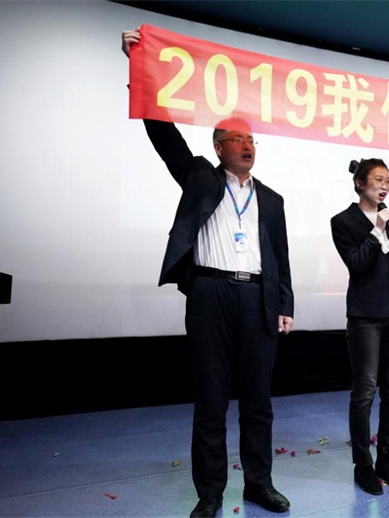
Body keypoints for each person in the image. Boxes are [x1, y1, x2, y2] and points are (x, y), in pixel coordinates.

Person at [122, 29, 294, 517]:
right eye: (237, 139)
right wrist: (138, 67)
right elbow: (164, 135)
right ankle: (211, 493)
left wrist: (284, 304)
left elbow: (280, 257)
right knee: (211, 400)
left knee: (258, 401)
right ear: (218, 147)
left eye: (251, 139)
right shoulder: (199, 176)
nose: (247, 145)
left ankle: (259, 484)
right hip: (209, 294)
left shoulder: (272, 199)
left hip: (257, 297)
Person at [330, 159, 389, 495]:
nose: (384, 186)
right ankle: (362, 465)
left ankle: (386, 460)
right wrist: (376, 230)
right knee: (365, 390)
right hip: (366, 314)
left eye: (388, 181)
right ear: (359, 183)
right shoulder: (343, 221)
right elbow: (356, 263)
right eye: (378, 180)